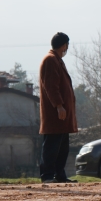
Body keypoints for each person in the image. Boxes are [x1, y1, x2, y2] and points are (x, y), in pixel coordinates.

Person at [38, 32, 78, 183]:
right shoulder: (50, 60)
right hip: (55, 113)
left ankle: (60, 175)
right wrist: (59, 106)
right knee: (52, 146)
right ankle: (47, 175)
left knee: (62, 146)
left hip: (62, 115)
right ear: (64, 45)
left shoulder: (57, 60)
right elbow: (51, 87)